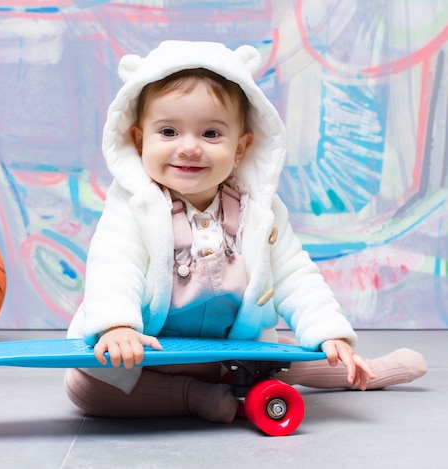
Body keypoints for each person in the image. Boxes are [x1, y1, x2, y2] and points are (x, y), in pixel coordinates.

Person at [64, 40, 427, 423]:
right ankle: (195, 397)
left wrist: (328, 333)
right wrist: (118, 326)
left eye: (211, 134)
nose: (189, 148)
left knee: (289, 352)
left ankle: (364, 372)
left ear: (241, 148)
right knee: (85, 387)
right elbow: (114, 265)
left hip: (230, 349)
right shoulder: (132, 206)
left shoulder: (258, 209)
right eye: (168, 132)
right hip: (151, 349)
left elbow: (293, 273)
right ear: (140, 142)